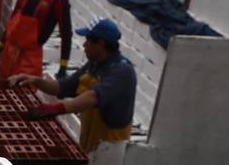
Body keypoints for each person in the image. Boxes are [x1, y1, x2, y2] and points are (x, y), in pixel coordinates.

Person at [9, 18, 135, 154]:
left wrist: (56, 108)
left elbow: (93, 96)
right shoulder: (95, 64)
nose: (84, 45)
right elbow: (62, 86)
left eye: (87, 41)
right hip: (90, 146)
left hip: (110, 153)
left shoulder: (122, 72)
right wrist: (35, 80)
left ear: (100, 44)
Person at [0, 0, 72, 80]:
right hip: (9, 54)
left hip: (29, 62)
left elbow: (66, 35)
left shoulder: (58, 0)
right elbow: (13, 20)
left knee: (23, 98)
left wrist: (63, 67)